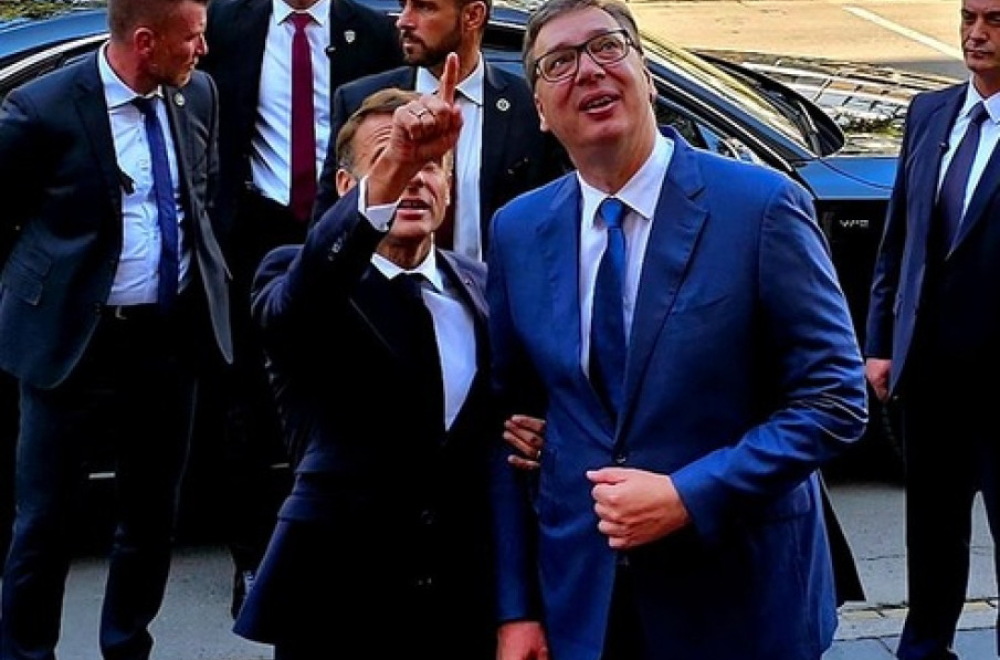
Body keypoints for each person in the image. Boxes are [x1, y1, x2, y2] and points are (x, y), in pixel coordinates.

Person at [485, 0, 869, 658]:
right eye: (559, 62)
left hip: (738, 598)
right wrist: (517, 609)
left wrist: (687, 495)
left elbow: (835, 400)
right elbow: (508, 423)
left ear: (647, 74)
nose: (589, 70)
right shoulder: (517, 230)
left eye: (608, 47)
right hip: (586, 604)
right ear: (540, 110)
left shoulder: (761, 207)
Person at [232, 68, 507, 658]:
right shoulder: (296, 273)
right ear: (346, 185)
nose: (413, 179)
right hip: (339, 596)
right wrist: (391, 170)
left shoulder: (484, 286)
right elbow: (295, 310)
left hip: (463, 596)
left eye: (429, 166)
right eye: (389, 162)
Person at [0, 0, 233, 657]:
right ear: (145, 41)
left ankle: (127, 646)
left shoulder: (198, 95)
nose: (203, 50)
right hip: (74, 345)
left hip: (167, 341)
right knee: (44, 522)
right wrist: (40, 293)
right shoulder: (42, 109)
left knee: (152, 518)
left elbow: (201, 194)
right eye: (192, 38)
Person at [197, 0, 403, 617]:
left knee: (340, 399)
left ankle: (334, 547)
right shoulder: (227, 23)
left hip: (346, 231)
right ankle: (253, 558)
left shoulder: (371, 31)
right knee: (246, 403)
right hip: (252, 233)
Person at [864, 1, 1000, 658]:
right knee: (932, 536)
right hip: (930, 378)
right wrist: (879, 345)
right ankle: (923, 648)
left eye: (995, 20)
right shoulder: (930, 113)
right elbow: (899, 238)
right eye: (969, 17)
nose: (976, 34)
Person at [314, 0, 566, 260]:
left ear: (473, 15)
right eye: (404, 5)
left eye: (424, 7)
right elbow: (325, 231)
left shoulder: (531, 106)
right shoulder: (359, 101)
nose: (403, 21)